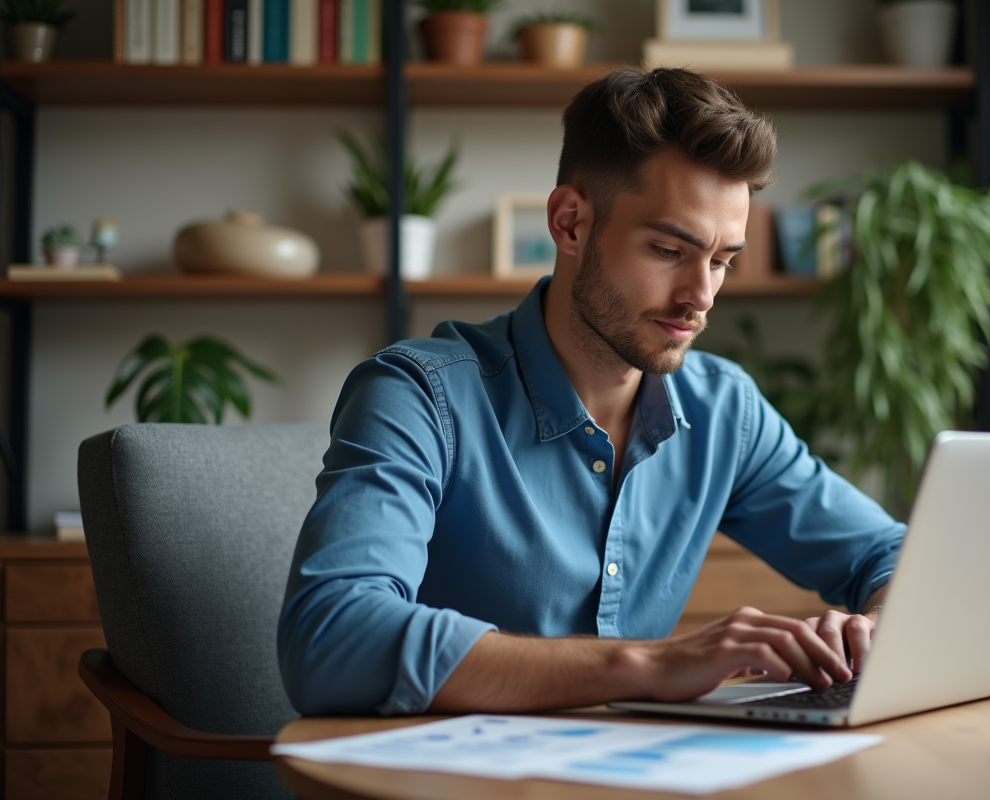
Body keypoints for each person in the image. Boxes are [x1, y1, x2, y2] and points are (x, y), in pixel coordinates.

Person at [278, 67, 905, 716]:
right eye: (668, 249)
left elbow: (890, 556)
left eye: (721, 261)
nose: (702, 297)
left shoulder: (725, 412)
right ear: (571, 223)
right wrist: (649, 664)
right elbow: (330, 640)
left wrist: (875, 630)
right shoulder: (417, 396)